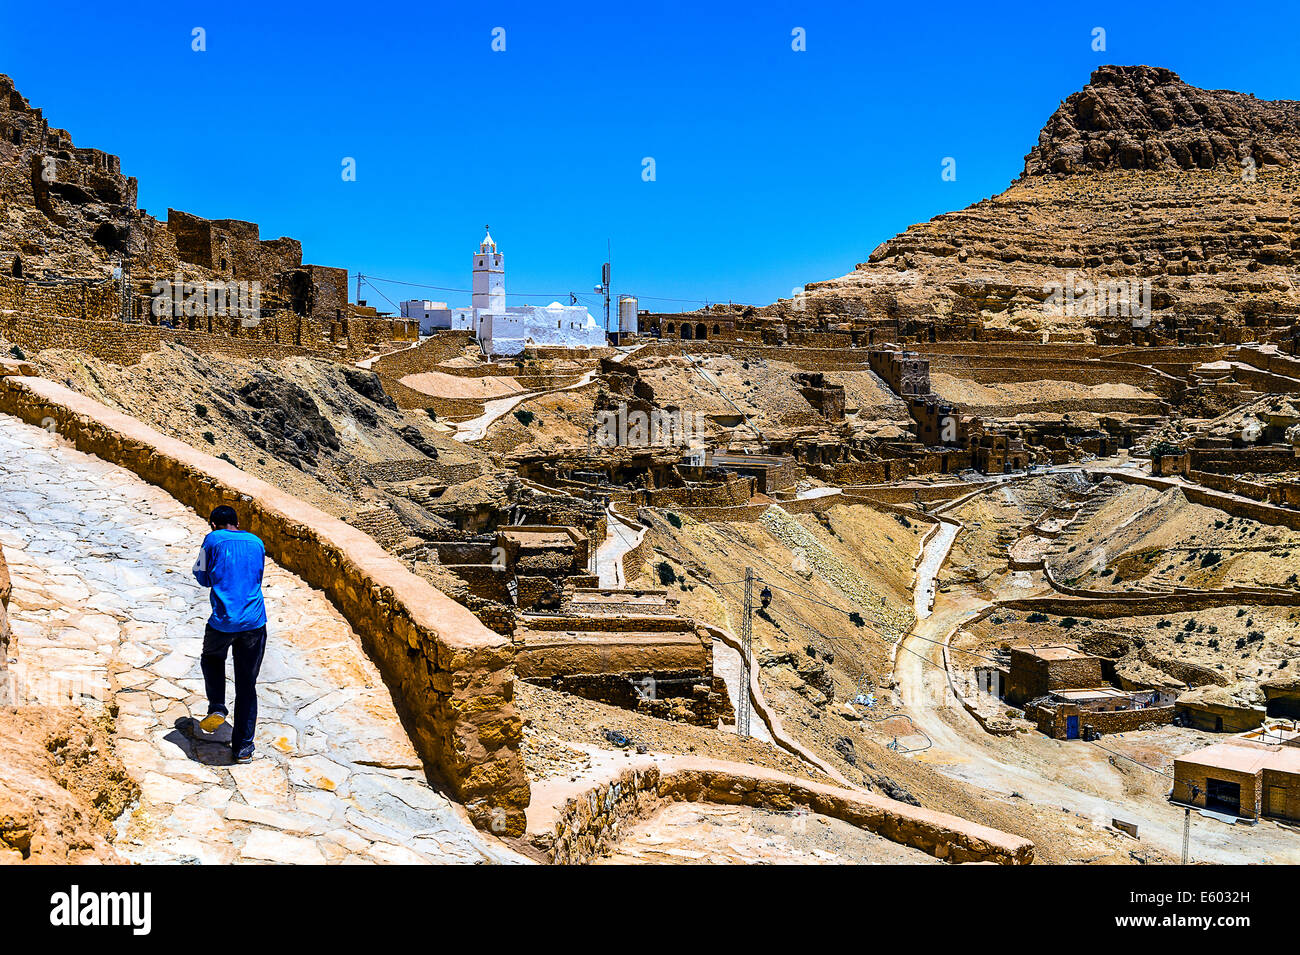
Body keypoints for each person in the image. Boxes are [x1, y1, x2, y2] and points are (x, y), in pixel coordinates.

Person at [192, 505, 267, 764]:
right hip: (255, 622)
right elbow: (256, 576)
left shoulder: (212, 539)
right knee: (247, 684)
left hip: (224, 620)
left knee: (211, 658)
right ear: (237, 522)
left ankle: (217, 706)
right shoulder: (257, 542)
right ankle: (243, 748)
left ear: (213, 524)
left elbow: (202, 575)